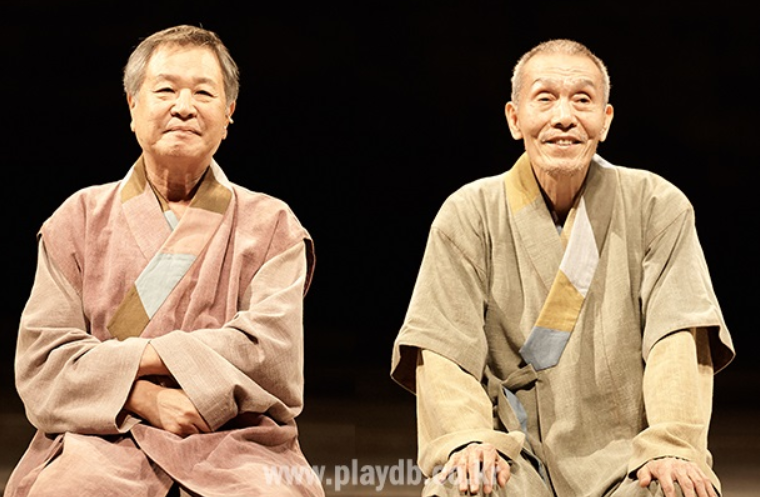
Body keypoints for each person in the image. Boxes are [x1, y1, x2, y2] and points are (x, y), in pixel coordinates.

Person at [390, 39, 735, 497]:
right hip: (510, 452)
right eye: (545, 98)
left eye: (582, 100)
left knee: (680, 488)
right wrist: (468, 439)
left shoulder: (657, 207)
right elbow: (443, 346)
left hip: (627, 457)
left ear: (605, 120)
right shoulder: (469, 213)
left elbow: (677, 336)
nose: (564, 117)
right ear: (515, 118)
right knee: (463, 485)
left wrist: (672, 446)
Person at [5, 25, 323, 497]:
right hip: (102, 436)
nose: (184, 106)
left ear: (229, 113)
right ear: (133, 106)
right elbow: (43, 362)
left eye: (203, 93)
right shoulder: (77, 219)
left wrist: (135, 359)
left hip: (235, 441)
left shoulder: (272, 225)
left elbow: (271, 355)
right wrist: (143, 397)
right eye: (166, 90)